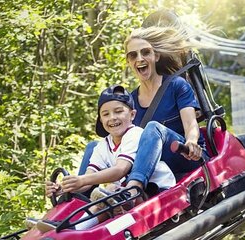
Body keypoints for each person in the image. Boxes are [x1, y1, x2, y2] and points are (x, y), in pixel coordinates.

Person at [34, 84, 175, 232]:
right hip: (126, 194)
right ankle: (71, 228)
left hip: (157, 191)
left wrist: (82, 180)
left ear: (132, 115)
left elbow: (121, 169)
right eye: (106, 114)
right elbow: (89, 178)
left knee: (110, 191)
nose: (112, 118)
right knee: (107, 198)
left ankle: (74, 228)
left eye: (118, 111)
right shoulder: (102, 146)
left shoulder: (135, 134)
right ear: (100, 120)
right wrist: (63, 188)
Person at [121, 25, 208, 200]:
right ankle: (76, 197)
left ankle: (133, 191)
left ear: (156, 56)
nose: (139, 58)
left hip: (186, 155)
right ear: (129, 61)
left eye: (145, 52)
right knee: (96, 146)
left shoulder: (177, 85)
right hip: (155, 167)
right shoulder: (130, 101)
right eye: (133, 55)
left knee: (153, 128)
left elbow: (191, 124)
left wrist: (191, 142)